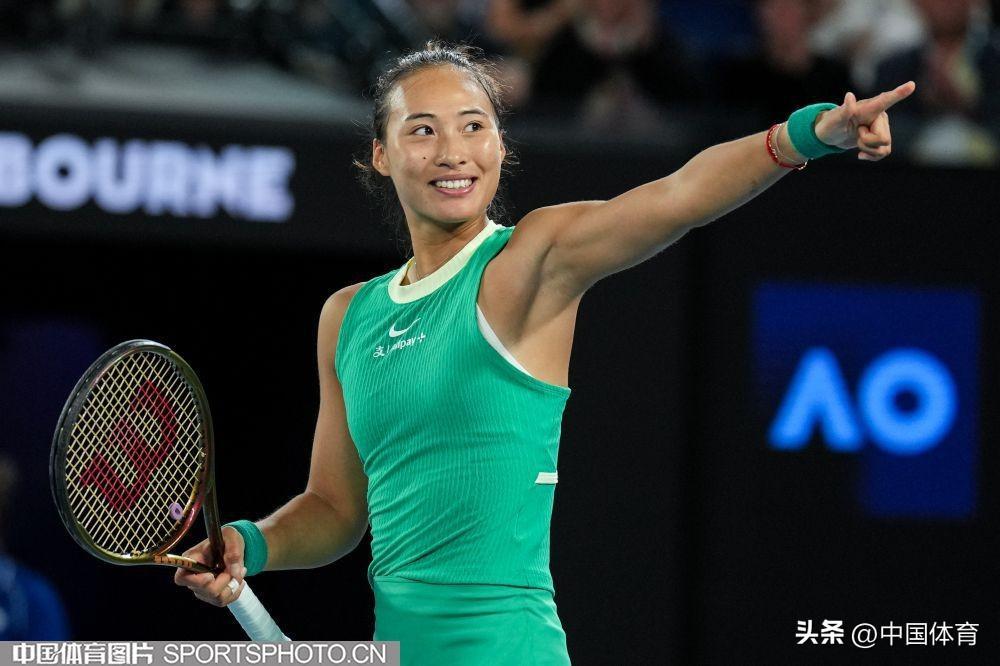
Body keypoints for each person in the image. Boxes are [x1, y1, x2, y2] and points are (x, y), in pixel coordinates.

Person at [174, 41, 914, 664]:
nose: (453, 152)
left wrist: (811, 134)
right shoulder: (347, 317)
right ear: (380, 154)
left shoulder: (530, 262)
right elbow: (336, 508)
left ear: (500, 145)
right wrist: (250, 543)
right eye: (423, 130)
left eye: (474, 126)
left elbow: (679, 197)